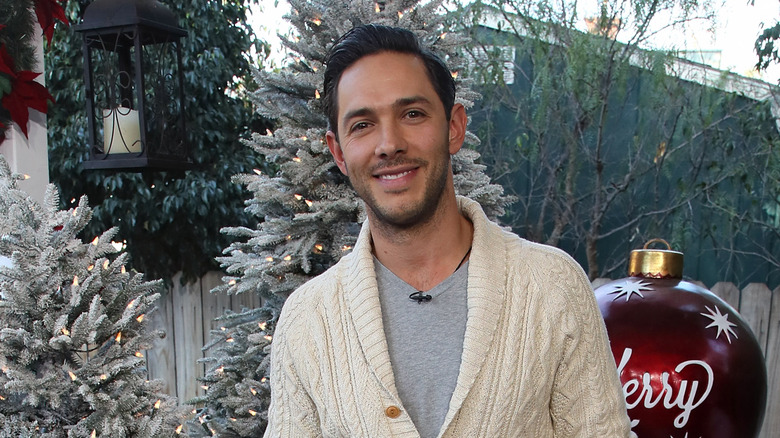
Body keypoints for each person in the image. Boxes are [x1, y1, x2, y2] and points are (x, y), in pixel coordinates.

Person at [263, 24, 633, 438]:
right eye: (362, 125)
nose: (389, 143)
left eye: (412, 114)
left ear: (453, 127)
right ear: (339, 153)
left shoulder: (551, 286)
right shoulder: (308, 319)